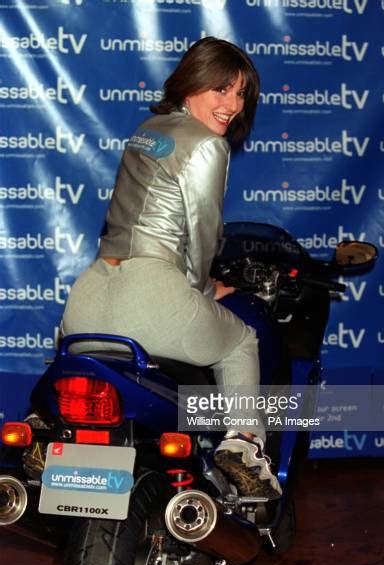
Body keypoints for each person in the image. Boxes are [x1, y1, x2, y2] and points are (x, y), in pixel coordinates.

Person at [61, 37, 282, 499]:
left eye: (241, 94)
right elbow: (203, 235)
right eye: (221, 89)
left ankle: (48, 427)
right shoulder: (207, 145)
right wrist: (206, 290)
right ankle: (242, 445)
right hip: (151, 298)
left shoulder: (147, 130)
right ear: (191, 84)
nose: (232, 105)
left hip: (88, 299)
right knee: (240, 341)